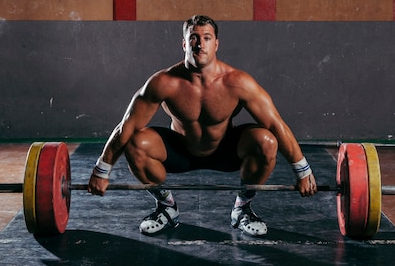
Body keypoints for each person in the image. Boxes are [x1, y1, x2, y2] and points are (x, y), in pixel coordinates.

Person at [87, 15, 317, 237]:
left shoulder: (237, 82)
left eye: (207, 37)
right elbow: (126, 126)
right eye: (194, 37)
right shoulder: (164, 82)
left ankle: (242, 209)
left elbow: (276, 124)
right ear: (184, 43)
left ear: (216, 43)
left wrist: (302, 170)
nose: (200, 44)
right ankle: (166, 207)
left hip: (226, 151)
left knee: (266, 141)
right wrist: (101, 170)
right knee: (136, 143)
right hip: (181, 151)